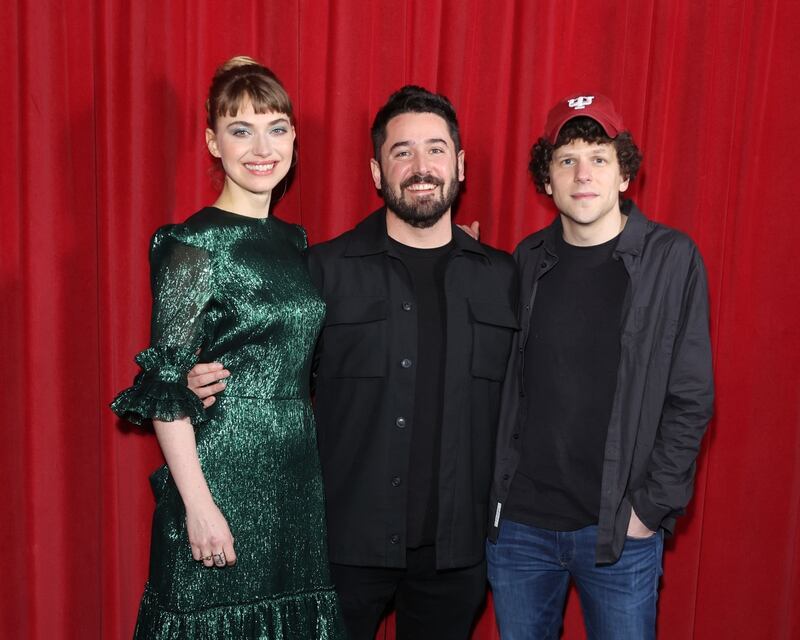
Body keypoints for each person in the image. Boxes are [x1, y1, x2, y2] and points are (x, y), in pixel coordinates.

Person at [190, 85, 518, 639]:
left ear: (460, 165)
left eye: (436, 149)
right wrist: (199, 380)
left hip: (457, 551)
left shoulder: (503, 278)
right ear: (376, 172)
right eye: (402, 152)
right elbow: (268, 378)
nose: (421, 167)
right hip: (340, 547)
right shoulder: (322, 270)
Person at [110, 56, 345, 639]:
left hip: (294, 482)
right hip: (221, 475)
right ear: (213, 143)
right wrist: (199, 506)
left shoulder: (293, 240)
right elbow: (166, 385)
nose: (262, 148)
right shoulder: (192, 245)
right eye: (242, 130)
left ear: (293, 138)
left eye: (276, 128)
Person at [486, 94, 714, 639]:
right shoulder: (526, 259)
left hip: (617, 529)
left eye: (599, 158)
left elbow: (691, 395)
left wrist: (650, 508)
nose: (582, 174)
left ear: (624, 175)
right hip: (521, 528)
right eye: (567, 160)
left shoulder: (671, 259)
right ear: (547, 180)